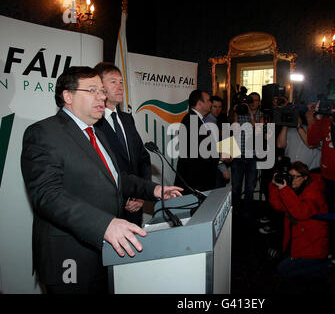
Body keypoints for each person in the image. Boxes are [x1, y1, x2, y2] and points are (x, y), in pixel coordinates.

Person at [21, 66, 183, 294]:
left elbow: (116, 178)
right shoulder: (43, 133)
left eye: (102, 91)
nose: (102, 96)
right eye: (92, 90)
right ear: (67, 96)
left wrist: (154, 190)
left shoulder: (96, 132)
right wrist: (104, 225)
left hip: (105, 249)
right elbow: (48, 196)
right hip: (70, 255)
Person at [94, 62, 152, 227]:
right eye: (113, 82)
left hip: (136, 208)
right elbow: (98, 171)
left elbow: (143, 159)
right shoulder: (92, 123)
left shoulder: (127, 119)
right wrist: (122, 199)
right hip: (110, 213)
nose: (120, 87)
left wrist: (142, 194)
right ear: (99, 86)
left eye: (121, 82)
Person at [268, 161, 329, 280]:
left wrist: (285, 190)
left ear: (305, 177)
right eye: (290, 177)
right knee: (278, 266)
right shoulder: (294, 189)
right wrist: (275, 185)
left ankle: (327, 268)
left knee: (282, 271)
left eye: (296, 177)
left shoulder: (314, 193)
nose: (292, 180)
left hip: (312, 248)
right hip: (298, 244)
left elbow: (301, 212)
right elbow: (278, 205)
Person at [174, 89, 219, 194]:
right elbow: (199, 154)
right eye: (208, 101)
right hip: (194, 181)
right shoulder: (192, 120)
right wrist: (220, 156)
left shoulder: (194, 119)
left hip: (196, 180)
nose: (211, 103)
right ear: (199, 103)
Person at [230, 91, 264, 220]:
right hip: (238, 156)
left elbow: (258, 131)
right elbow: (235, 131)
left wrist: (250, 114)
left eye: (255, 100)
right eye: (251, 100)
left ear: (259, 102)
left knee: (250, 188)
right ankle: (235, 212)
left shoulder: (261, 115)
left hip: (252, 157)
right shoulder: (240, 112)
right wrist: (235, 113)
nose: (253, 102)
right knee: (236, 188)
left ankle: (247, 213)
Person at [205, 96, 231, 188]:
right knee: (216, 196)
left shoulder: (217, 120)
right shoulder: (209, 122)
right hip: (214, 167)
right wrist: (223, 169)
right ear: (209, 106)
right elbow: (212, 150)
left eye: (220, 107)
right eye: (214, 106)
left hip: (217, 164)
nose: (217, 109)